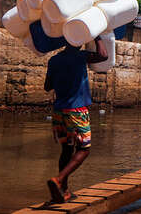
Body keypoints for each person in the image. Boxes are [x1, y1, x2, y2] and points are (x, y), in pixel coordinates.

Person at [43, 36, 108, 203]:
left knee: (66, 150)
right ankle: (59, 179)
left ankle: (63, 191)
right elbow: (104, 56)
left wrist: (61, 77)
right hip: (76, 111)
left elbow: (47, 87)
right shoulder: (81, 57)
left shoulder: (54, 60)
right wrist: (98, 37)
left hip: (59, 111)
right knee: (84, 149)